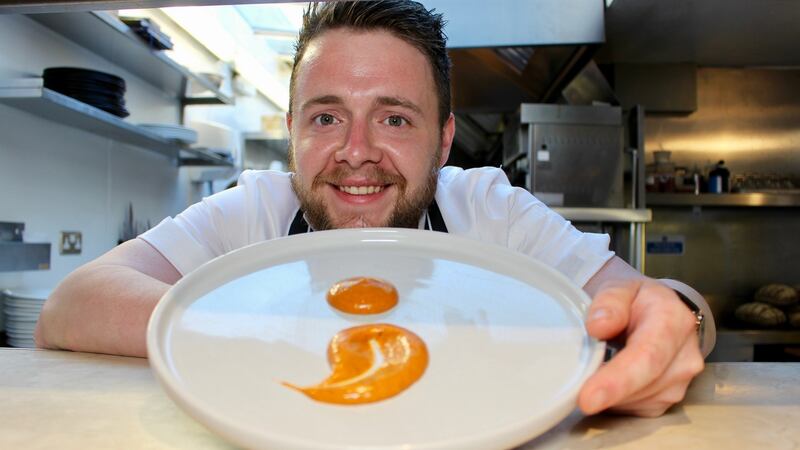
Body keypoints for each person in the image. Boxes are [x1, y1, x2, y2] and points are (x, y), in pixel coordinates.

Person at [35, 0, 715, 418]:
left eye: (393, 119)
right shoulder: (254, 209)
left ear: (443, 139)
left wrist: (679, 316)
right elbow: (73, 303)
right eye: (327, 116)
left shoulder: (491, 211)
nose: (355, 153)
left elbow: (648, 303)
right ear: (294, 130)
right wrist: (253, 327)